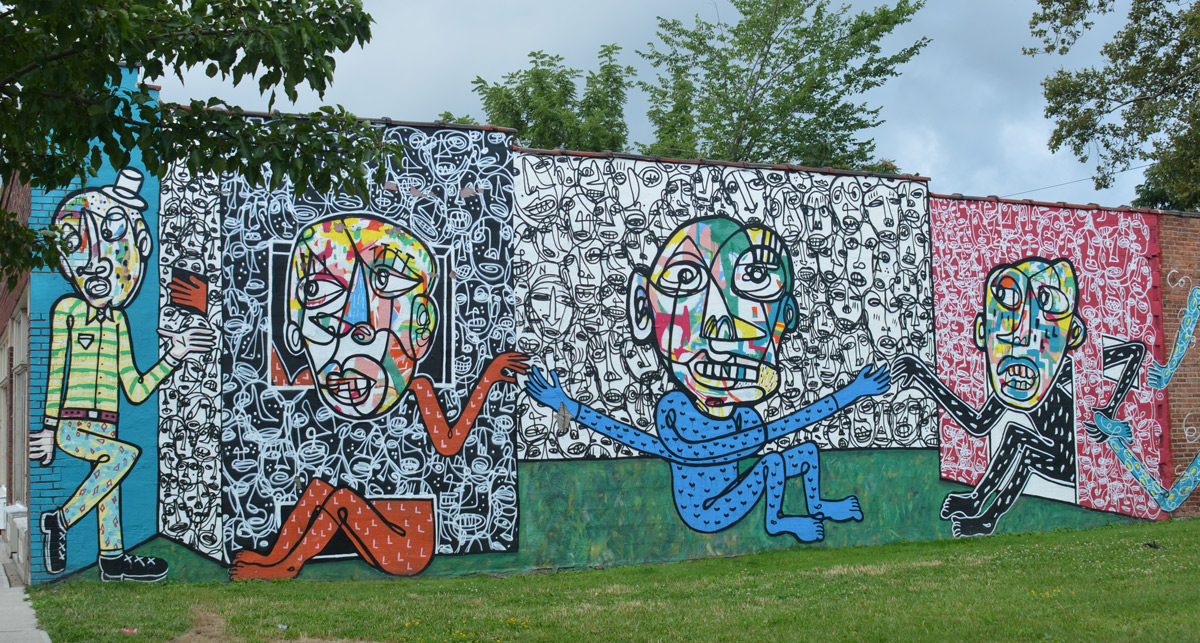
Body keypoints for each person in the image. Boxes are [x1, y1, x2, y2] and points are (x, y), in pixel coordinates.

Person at [525, 216, 890, 541]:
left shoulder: (745, 418)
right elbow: (638, 438)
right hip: (706, 512)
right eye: (685, 278)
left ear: (786, 315)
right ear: (643, 307)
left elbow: (792, 423)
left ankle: (818, 505)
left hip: (733, 486)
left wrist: (855, 390)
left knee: (806, 452)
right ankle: (778, 521)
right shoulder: (675, 411)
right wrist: (566, 405)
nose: (723, 332)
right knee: (772, 464)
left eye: (756, 279)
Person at [230, 214, 527, 579]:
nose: (357, 325)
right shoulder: (317, 378)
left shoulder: (418, 388)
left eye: (384, 284)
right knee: (319, 488)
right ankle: (273, 557)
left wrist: (488, 377)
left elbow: (449, 443)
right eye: (319, 293)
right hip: (378, 524)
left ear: (421, 325)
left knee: (340, 499)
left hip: (409, 543)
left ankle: (287, 566)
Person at [31, 168, 216, 582]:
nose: (95, 267)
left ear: (139, 247)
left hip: (108, 421)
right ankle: (59, 520)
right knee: (123, 457)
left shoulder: (119, 322)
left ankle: (112, 559)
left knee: (108, 487)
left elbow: (134, 389)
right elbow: (56, 370)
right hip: (72, 424)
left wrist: (175, 355)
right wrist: (48, 428)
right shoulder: (67, 310)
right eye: (79, 254)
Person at [893, 257, 1086, 536]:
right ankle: (976, 500)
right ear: (982, 332)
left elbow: (1130, 352)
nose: (1022, 335)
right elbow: (977, 423)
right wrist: (921, 374)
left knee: (1025, 450)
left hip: (1070, 461)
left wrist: (1110, 409)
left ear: (1073, 335)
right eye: (1009, 303)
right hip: (1053, 451)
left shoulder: (1057, 371)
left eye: (1048, 307)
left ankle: (988, 518)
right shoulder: (1015, 378)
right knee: (1015, 435)